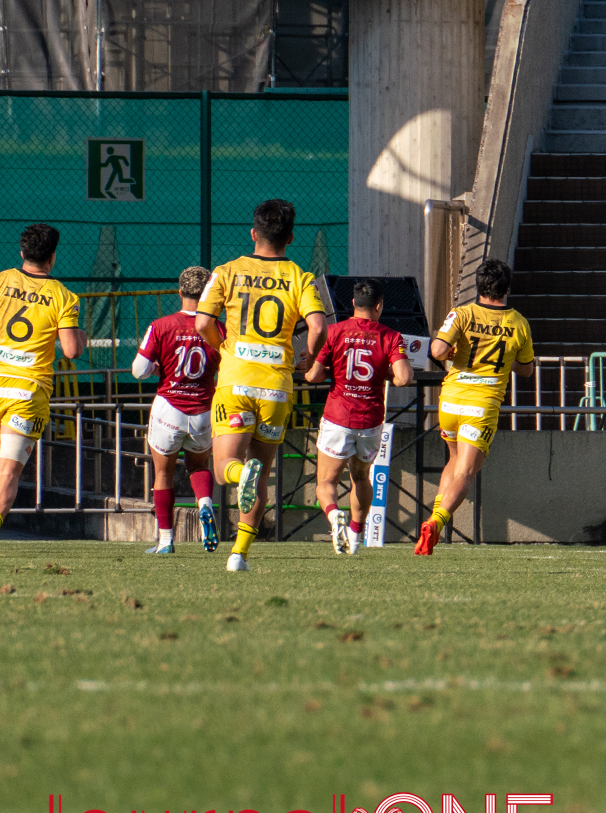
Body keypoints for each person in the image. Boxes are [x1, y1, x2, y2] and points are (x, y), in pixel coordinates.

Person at [194, 200, 328, 573]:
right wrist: (311, 359)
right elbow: (317, 327)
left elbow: (202, 323)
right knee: (262, 469)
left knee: (225, 468)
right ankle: (239, 554)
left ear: (253, 233)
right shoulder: (299, 276)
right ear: (291, 237)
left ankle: (242, 476)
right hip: (278, 387)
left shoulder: (227, 271)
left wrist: (223, 348)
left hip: (237, 381)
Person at [0, 224, 85, 558]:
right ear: (52, 256)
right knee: (9, 471)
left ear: (22, 252)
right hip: (29, 392)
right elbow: (71, 350)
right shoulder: (64, 297)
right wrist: (80, 337)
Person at [418, 259, 536, 556]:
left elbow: (438, 350)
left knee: (452, 461)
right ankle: (435, 522)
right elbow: (526, 370)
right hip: (481, 405)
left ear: (478, 285)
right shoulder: (519, 323)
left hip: (451, 401)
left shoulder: (462, 313)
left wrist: (457, 349)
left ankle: (434, 522)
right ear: (507, 288)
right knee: (465, 473)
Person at [303, 279, 414, 555]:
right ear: (379, 306)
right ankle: (355, 536)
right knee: (361, 478)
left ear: (352, 303)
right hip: (370, 421)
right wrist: (384, 372)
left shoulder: (334, 332)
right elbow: (404, 377)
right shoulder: (390, 336)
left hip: (338, 417)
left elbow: (314, 376)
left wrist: (319, 370)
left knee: (326, 483)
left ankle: (333, 515)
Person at [131, 266, 221, 555]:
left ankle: (166, 541)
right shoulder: (220, 328)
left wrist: (157, 366)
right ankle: (205, 505)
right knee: (199, 466)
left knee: (163, 475)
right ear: (208, 293)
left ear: (179, 292)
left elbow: (138, 371)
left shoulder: (161, 325)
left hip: (169, 408)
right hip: (204, 410)